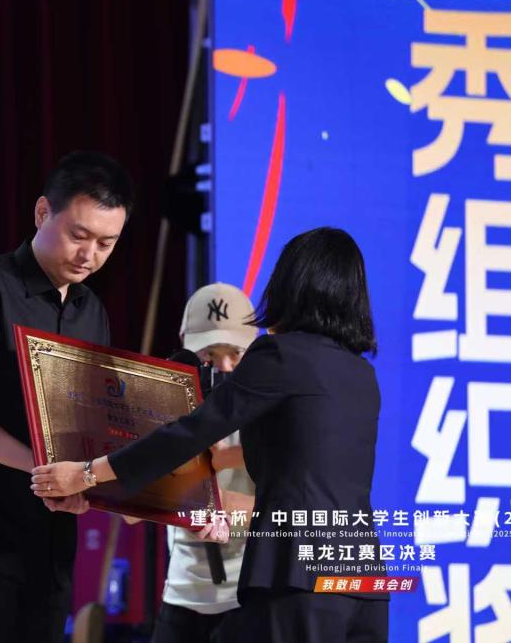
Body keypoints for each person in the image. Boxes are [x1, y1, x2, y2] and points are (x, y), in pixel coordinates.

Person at [32, 227, 390, 643]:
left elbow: (188, 434)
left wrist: (88, 473)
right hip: (364, 578)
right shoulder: (361, 374)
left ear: (291, 284)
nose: (222, 365)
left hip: (299, 577)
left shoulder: (280, 356)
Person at [0, 151, 133, 642]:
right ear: (42, 212)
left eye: (106, 243)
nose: (89, 254)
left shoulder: (91, 309)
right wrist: (48, 474)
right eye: (79, 235)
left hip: (51, 541)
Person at [152, 283, 258, 643]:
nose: (224, 368)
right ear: (186, 347)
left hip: (248, 597)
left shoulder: (271, 410)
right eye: (210, 355)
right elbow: (132, 512)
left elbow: (289, 510)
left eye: (236, 354)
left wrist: (221, 498)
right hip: (181, 595)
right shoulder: (166, 408)